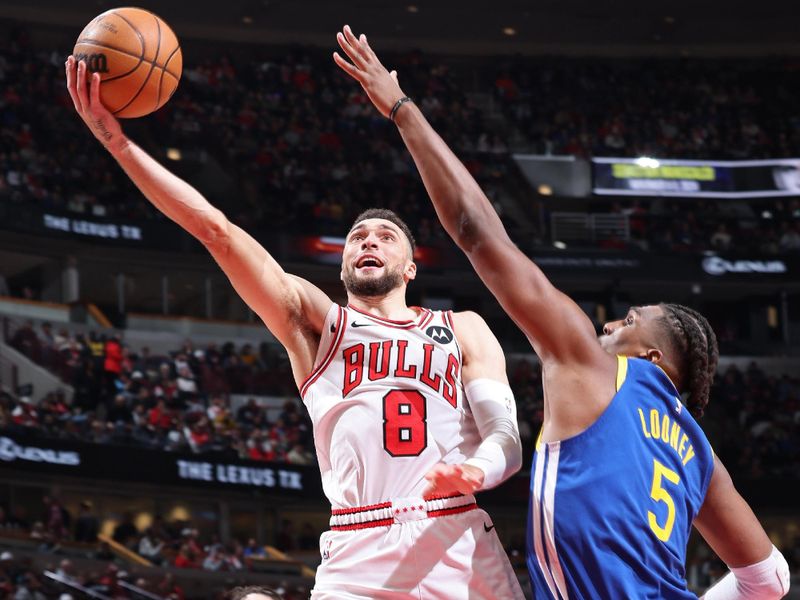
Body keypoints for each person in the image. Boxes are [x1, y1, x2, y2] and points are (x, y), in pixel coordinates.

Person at [332, 25, 792, 599]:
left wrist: (401, 109)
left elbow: (478, 234)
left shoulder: (599, 369)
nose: (606, 325)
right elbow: (771, 578)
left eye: (627, 321)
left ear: (651, 358)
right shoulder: (699, 454)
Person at [65, 56, 523, 599]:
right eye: (358, 237)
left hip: (455, 531)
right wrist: (118, 143)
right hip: (359, 544)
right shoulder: (318, 325)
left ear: (411, 266)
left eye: (384, 236)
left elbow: (507, 439)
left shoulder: (464, 328)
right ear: (344, 264)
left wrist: (477, 471)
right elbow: (217, 231)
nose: (369, 241)